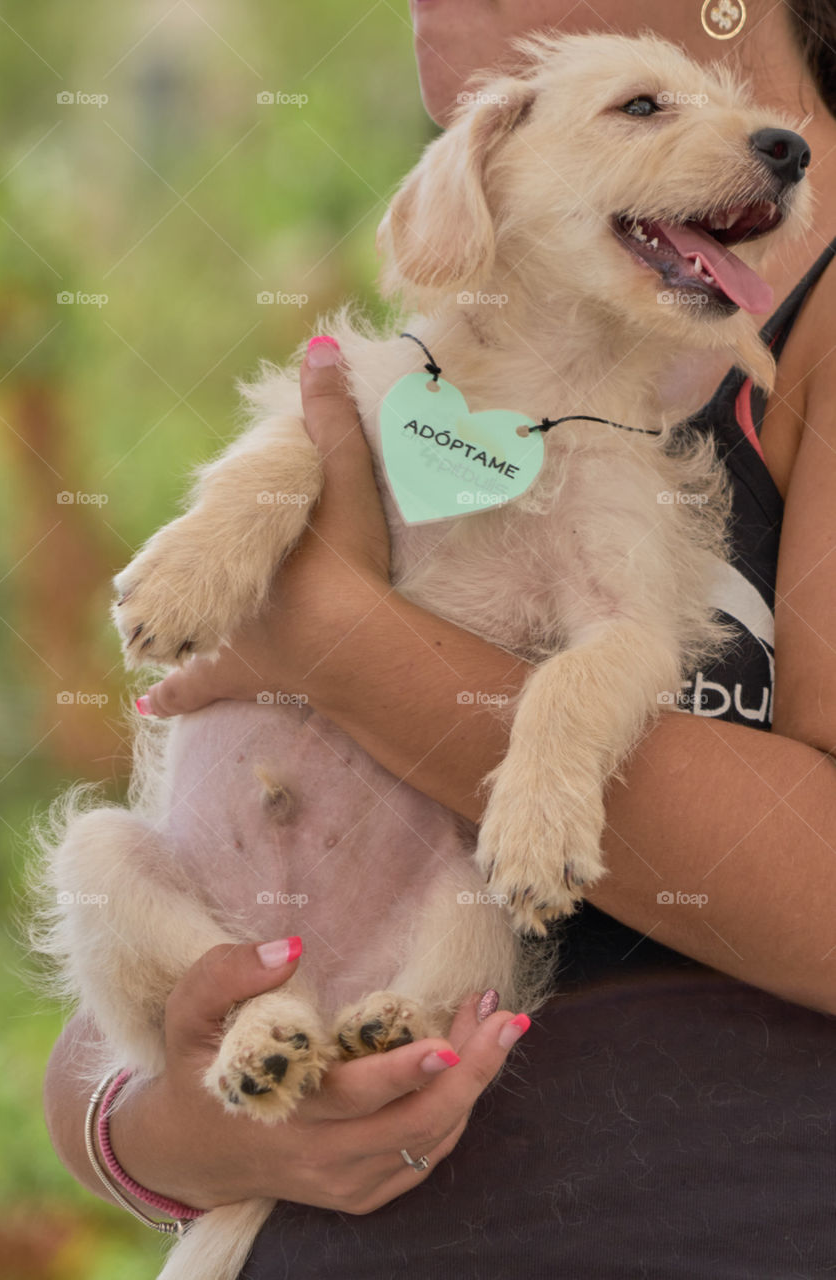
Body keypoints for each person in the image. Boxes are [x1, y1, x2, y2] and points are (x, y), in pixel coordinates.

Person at [44, 0, 836, 1274]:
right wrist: (168, 1135)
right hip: (295, 1219)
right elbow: (120, 1054)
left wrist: (344, 646)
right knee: (101, 856)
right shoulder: (452, 344)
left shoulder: (755, 346)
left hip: (713, 1220)